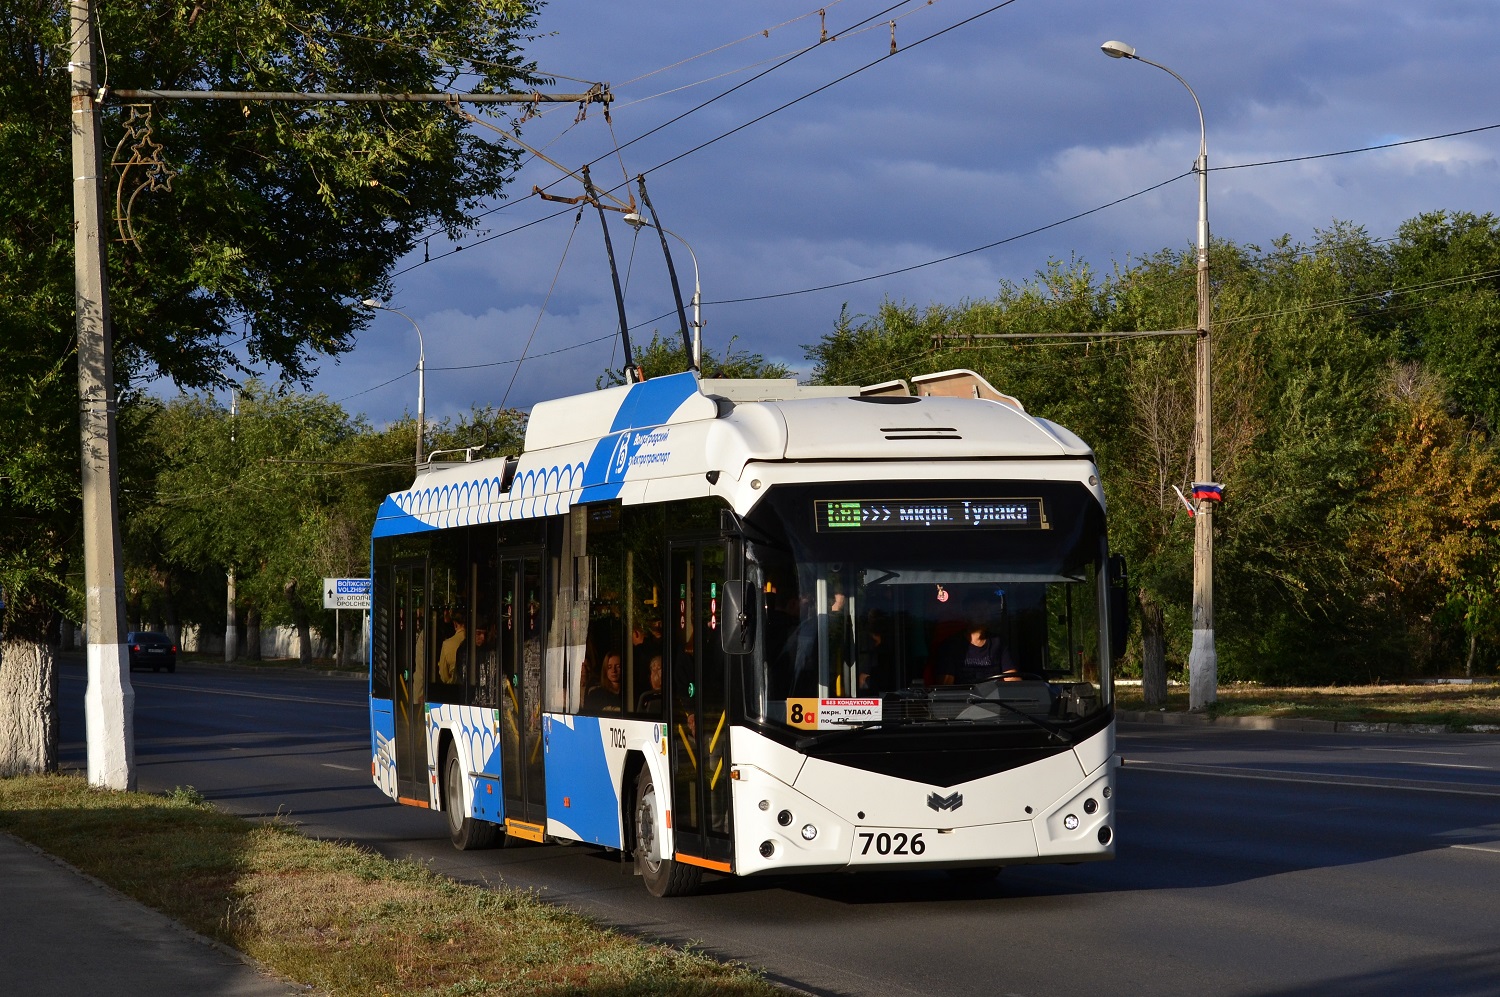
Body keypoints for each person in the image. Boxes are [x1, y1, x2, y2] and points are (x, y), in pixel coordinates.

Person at [937, 619, 1015, 686]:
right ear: (966, 614)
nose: (983, 614)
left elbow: (1012, 679)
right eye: (977, 609)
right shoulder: (951, 645)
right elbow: (946, 687)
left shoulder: (998, 642)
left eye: (986, 609)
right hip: (965, 700)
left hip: (995, 700)